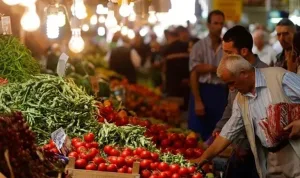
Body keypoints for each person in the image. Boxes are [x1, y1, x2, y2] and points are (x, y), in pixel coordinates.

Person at [194, 54, 300, 178]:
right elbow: (227, 133)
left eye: (231, 83)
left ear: (244, 73)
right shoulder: (240, 99)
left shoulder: (279, 77)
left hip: (295, 153)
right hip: (271, 160)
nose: (231, 89)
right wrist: (203, 159)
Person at [212, 25, 268, 178]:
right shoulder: (232, 69)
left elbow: (262, 118)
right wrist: (219, 128)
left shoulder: (264, 74)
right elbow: (231, 107)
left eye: (229, 52)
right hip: (238, 148)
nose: (225, 57)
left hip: (259, 154)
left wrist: (245, 145)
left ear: (244, 51)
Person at [188, 10, 228, 140]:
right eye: (215, 23)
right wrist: (198, 101)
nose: (219, 27)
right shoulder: (198, 46)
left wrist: (208, 68)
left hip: (221, 92)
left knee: (218, 132)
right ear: (208, 25)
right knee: (198, 133)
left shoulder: (226, 47)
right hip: (202, 91)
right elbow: (194, 72)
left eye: (221, 23)